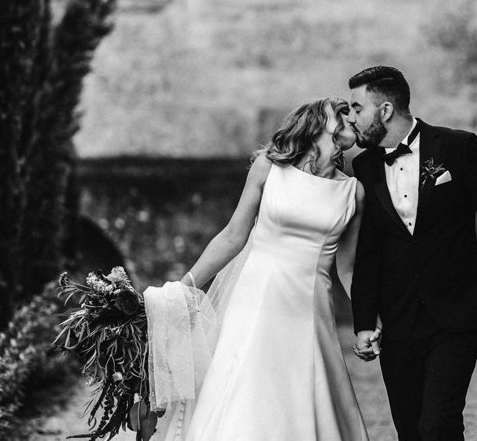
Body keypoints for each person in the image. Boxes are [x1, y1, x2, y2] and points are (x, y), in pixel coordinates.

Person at [145, 98, 370, 441]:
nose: (349, 119)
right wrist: (185, 286)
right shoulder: (270, 167)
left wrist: (368, 323)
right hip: (255, 299)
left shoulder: (353, 192)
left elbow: (348, 270)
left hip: (309, 309)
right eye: (340, 113)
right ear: (315, 123)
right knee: (243, 389)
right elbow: (234, 236)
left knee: (304, 393)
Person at [347, 66, 477, 441]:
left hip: (457, 310)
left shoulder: (457, 147)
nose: (351, 118)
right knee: (410, 428)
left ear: (385, 110)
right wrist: (365, 321)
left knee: (439, 424)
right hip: (399, 316)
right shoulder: (365, 166)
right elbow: (368, 251)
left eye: (357, 108)